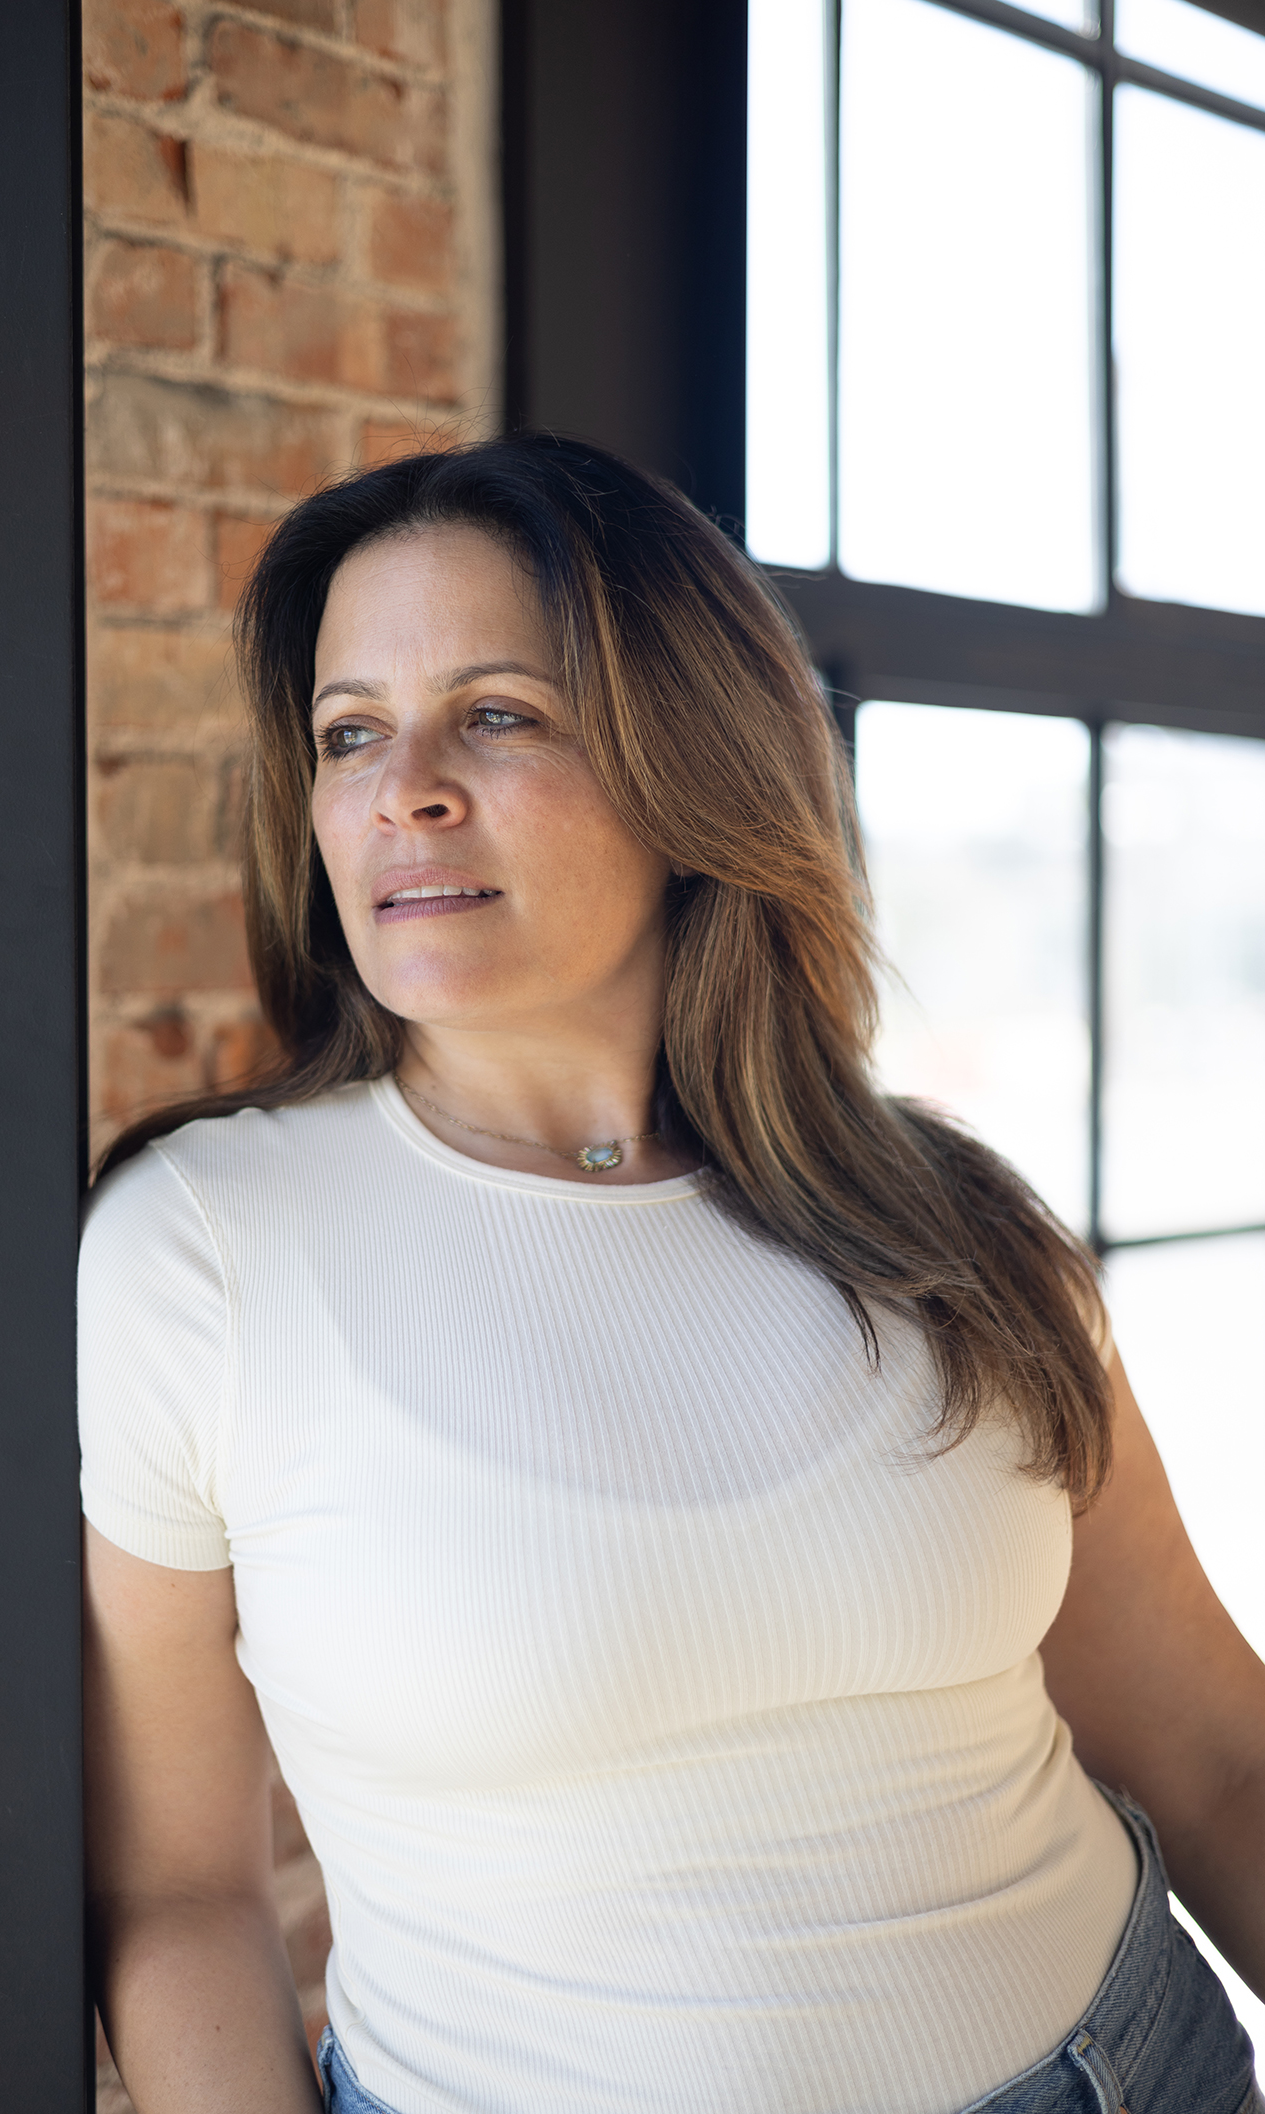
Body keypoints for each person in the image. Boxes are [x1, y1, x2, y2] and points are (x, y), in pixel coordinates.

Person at [79, 433, 1265, 2114]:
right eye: (350, 731)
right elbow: (181, 1893)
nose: (402, 784)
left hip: (1119, 2075)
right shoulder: (196, 1250)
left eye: (495, 712)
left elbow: (1213, 1750)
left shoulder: (949, 1225)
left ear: (689, 761)